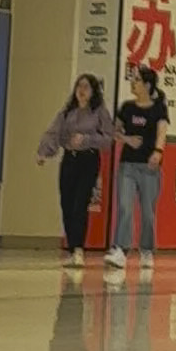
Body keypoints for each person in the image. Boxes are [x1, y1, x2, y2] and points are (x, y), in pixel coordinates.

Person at [38, 73, 115, 268]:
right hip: (69, 160)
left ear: (93, 91)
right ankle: (72, 249)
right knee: (67, 203)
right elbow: (54, 132)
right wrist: (44, 152)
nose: (81, 90)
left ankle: (79, 248)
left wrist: (87, 139)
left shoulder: (99, 112)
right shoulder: (68, 111)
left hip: (88, 159)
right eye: (79, 86)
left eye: (86, 87)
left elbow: (108, 139)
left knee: (80, 204)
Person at [107, 65, 169, 274]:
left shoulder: (158, 109)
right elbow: (114, 131)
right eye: (132, 80)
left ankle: (147, 250)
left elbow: (162, 131)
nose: (133, 83)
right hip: (128, 165)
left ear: (147, 85)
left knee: (148, 212)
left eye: (137, 80)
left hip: (149, 168)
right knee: (125, 206)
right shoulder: (127, 108)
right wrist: (127, 139)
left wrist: (158, 151)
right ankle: (120, 250)